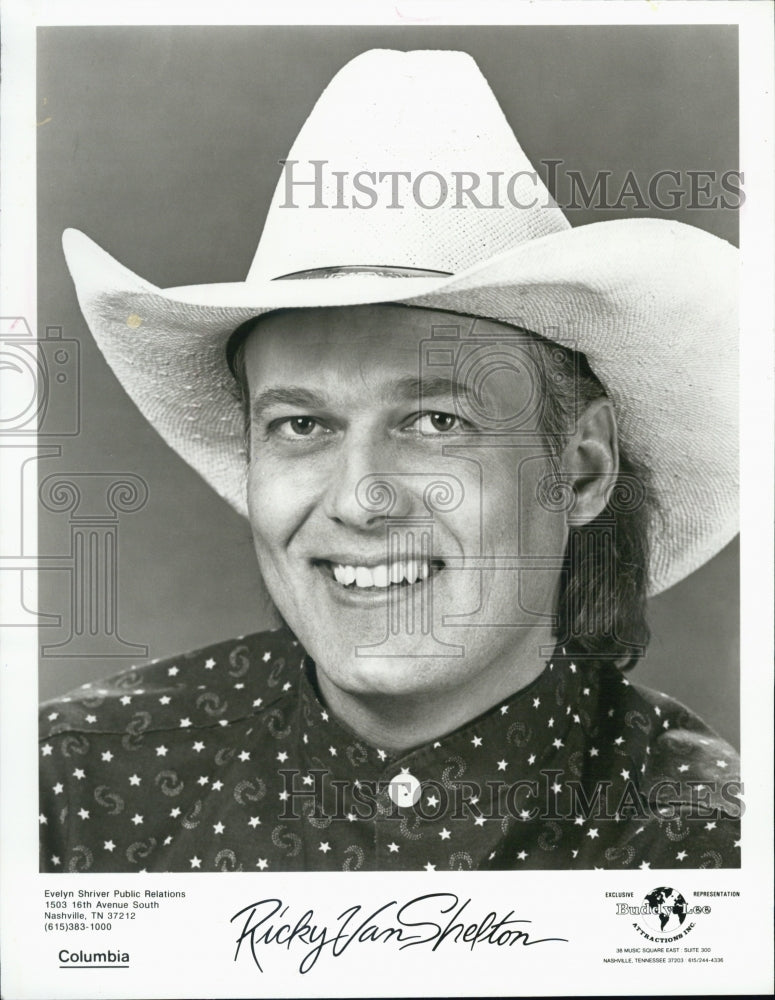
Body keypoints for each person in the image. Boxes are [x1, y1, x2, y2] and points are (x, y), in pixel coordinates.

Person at [39, 49, 740, 873]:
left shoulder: (705, 853)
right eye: (301, 425)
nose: (360, 499)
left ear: (580, 470)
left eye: (436, 419)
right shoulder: (68, 788)